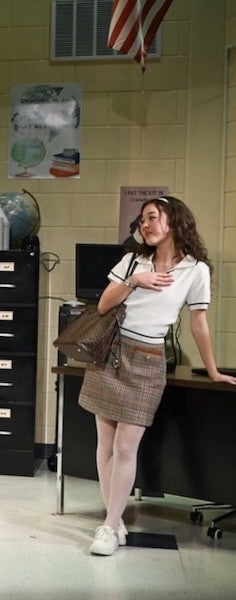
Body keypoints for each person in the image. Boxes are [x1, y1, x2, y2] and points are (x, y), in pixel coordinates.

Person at [79, 195, 236, 556]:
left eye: (153, 217)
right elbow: (104, 304)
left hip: (148, 360)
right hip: (111, 354)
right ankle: (113, 522)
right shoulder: (133, 260)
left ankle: (109, 525)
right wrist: (135, 280)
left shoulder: (196, 270)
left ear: (175, 221)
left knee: (124, 446)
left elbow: (198, 321)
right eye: (142, 220)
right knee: (104, 445)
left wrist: (212, 368)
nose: (145, 225)